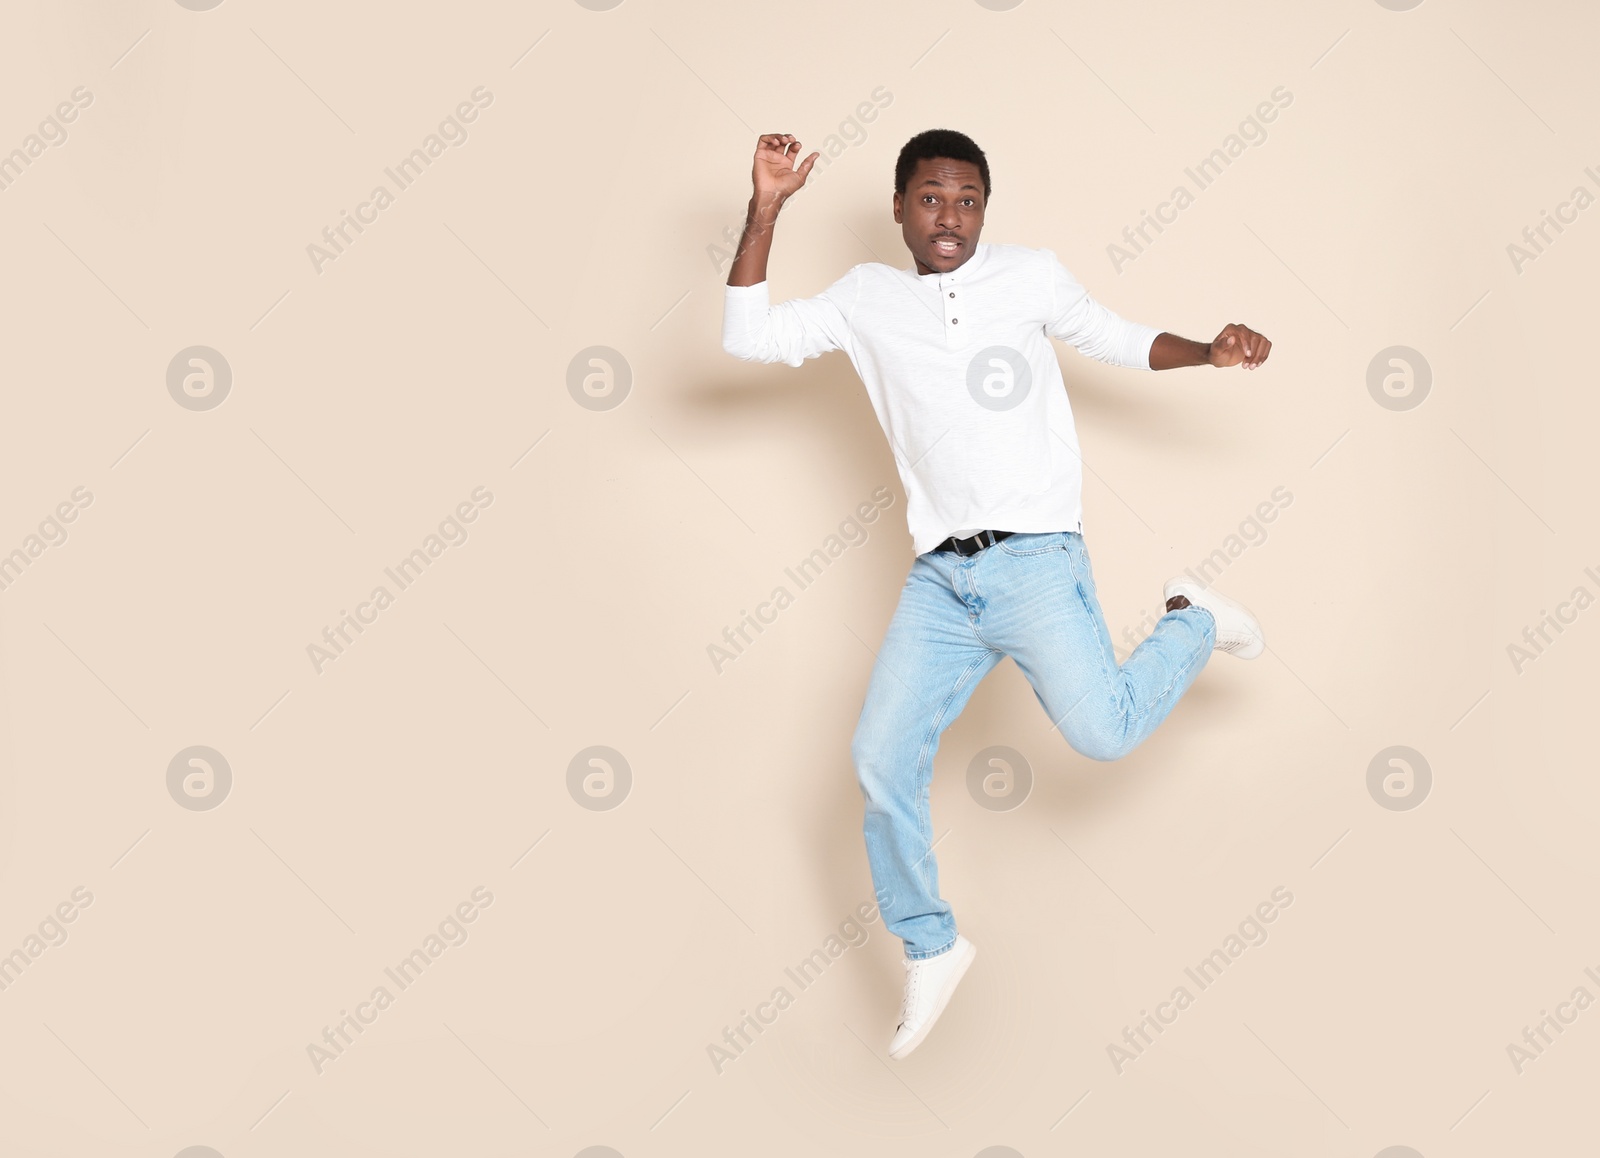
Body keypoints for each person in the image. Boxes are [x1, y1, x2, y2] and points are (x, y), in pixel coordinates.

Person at [720, 128, 1272, 1060]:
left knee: (1101, 734)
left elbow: (1117, 337)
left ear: (986, 209)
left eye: (968, 199)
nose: (950, 217)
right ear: (899, 207)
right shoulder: (866, 299)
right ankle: (932, 943)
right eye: (931, 198)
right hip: (941, 578)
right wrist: (767, 205)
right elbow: (747, 338)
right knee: (878, 756)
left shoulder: (1028, 276)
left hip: (1034, 563)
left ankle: (1194, 621)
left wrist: (1209, 351)